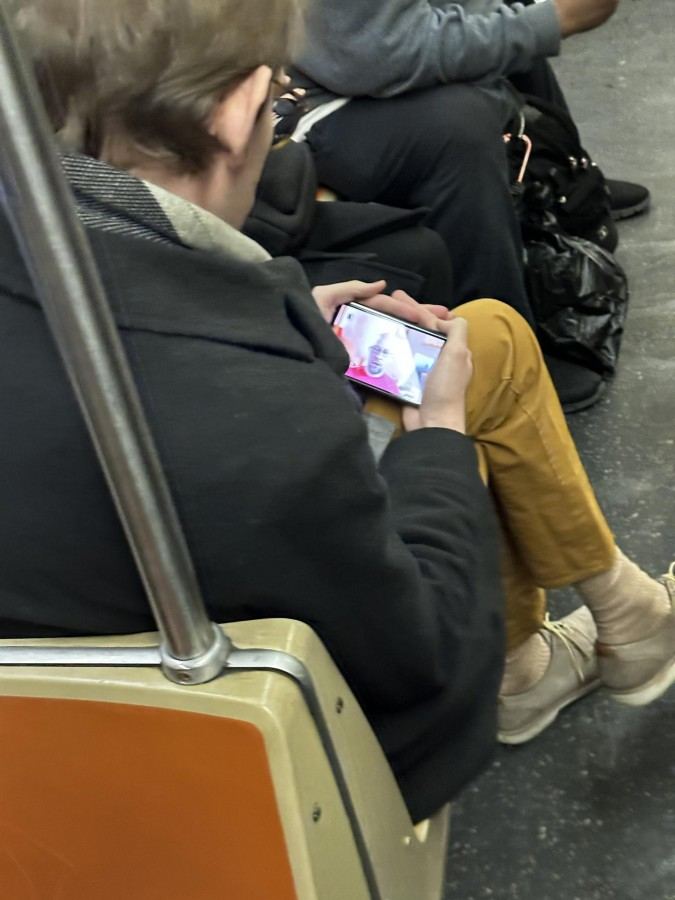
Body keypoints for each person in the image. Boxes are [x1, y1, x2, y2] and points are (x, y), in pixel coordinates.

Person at [1, 0, 672, 828]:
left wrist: (288, 314)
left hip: (48, 703)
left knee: (487, 336)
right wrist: (437, 439)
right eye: (277, 95)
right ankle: (549, 659)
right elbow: (427, 671)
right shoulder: (269, 420)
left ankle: (614, 617)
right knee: (461, 363)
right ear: (241, 113)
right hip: (267, 751)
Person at [291, 0, 649, 321]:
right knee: (458, 128)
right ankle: (497, 337)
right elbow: (378, 53)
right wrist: (553, 21)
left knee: (510, 24)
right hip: (301, 98)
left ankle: (567, 185)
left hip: (353, 51)